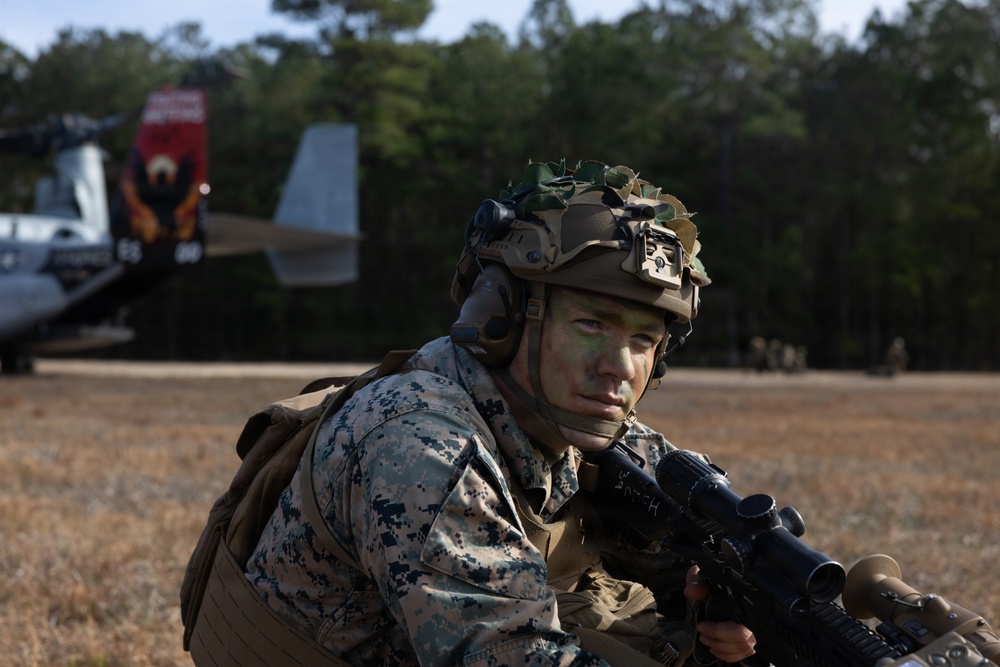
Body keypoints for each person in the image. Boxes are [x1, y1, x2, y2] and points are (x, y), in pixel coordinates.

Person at [239, 160, 756, 665]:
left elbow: (692, 554)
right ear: (501, 315)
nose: (620, 367)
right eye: (592, 326)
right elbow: (509, 653)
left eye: (644, 339)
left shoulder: (579, 427)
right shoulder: (417, 439)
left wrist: (723, 604)